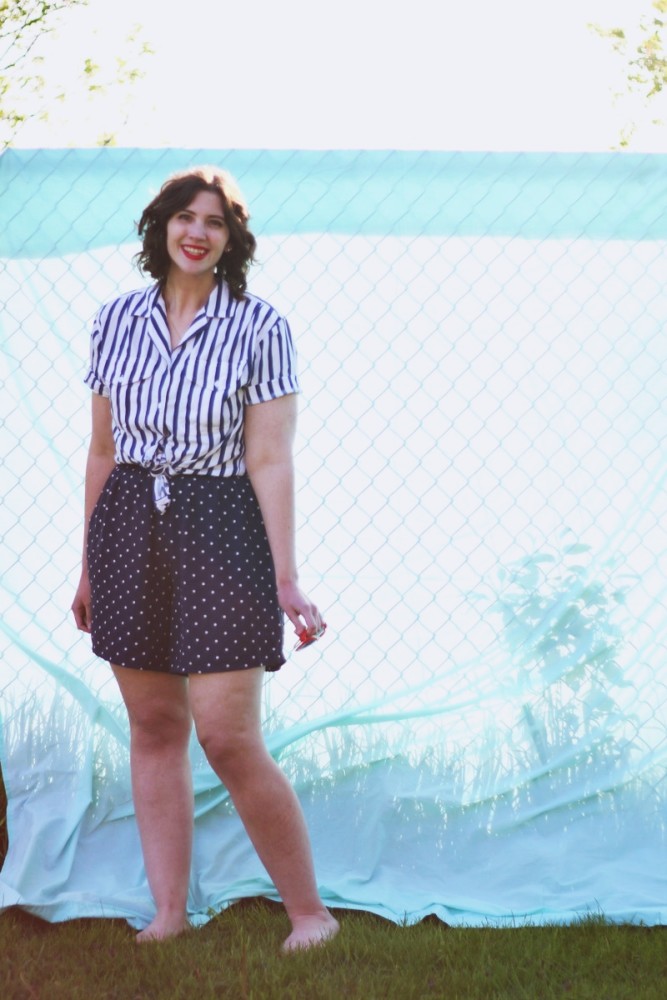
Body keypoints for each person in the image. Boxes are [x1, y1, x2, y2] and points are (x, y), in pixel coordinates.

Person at [71, 165, 339, 951]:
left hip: (221, 526)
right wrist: (88, 564)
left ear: (231, 239)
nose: (196, 232)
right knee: (154, 726)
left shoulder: (260, 327)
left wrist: (285, 576)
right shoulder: (115, 319)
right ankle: (168, 914)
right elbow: (102, 450)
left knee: (227, 736)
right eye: (184, 217)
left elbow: (270, 459)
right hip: (128, 521)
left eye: (214, 222)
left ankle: (310, 914)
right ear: (160, 227)